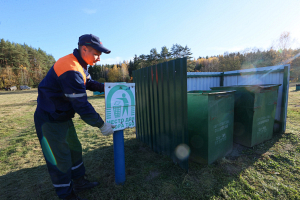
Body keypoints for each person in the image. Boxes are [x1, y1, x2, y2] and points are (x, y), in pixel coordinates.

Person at [34, 34, 115, 200]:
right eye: (96, 54)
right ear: (84, 49)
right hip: (49, 119)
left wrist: (108, 87)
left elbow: (89, 83)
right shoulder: (70, 68)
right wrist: (101, 124)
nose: (99, 58)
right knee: (60, 158)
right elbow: (81, 105)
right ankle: (66, 195)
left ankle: (79, 182)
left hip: (62, 115)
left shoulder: (80, 65)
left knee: (74, 149)